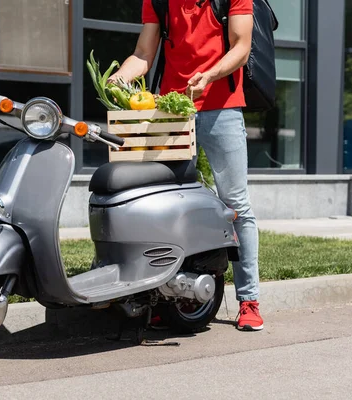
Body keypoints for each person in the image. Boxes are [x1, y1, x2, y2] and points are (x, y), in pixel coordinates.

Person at [109, 0, 263, 331]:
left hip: (222, 106)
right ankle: (169, 296)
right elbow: (143, 53)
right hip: (171, 109)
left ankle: (248, 300)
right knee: (167, 202)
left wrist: (210, 74)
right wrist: (118, 78)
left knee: (235, 203)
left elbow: (241, 47)